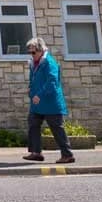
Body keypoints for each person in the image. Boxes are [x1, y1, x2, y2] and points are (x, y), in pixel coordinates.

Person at [23, 36, 74, 164]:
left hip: (51, 102)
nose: (31, 55)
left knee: (57, 128)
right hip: (37, 103)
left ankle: (67, 155)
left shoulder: (49, 62)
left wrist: (39, 94)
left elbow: (52, 82)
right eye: (29, 52)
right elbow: (33, 79)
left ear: (41, 50)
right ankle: (36, 152)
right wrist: (30, 88)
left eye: (33, 52)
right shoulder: (33, 63)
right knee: (33, 123)